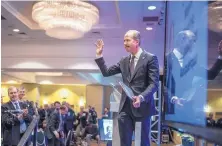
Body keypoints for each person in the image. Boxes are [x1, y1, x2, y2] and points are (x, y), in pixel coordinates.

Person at [95, 30, 159, 146]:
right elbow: (106, 72)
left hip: (142, 108)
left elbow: (154, 84)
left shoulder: (150, 58)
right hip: (125, 109)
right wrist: (99, 55)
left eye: (128, 40)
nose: (124, 43)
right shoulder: (124, 61)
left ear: (137, 41)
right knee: (124, 142)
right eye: (124, 40)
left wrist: (141, 97)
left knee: (142, 142)